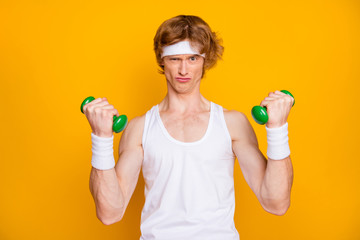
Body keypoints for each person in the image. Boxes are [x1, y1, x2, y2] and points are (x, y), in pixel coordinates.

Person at [83, 15, 294, 240]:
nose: (184, 69)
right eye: (175, 59)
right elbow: (109, 213)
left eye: (193, 58)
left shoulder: (232, 124)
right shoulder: (140, 128)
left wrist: (278, 130)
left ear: (205, 60)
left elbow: (276, 203)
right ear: (162, 60)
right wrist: (101, 138)